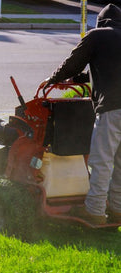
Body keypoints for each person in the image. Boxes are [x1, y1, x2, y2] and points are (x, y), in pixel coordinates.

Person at [45, 3, 121, 225]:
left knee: (101, 160)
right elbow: (106, 67)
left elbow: (73, 63)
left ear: (101, 22)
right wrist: (78, 80)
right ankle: (117, 209)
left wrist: (53, 79)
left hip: (113, 109)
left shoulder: (96, 36)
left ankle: (95, 211)